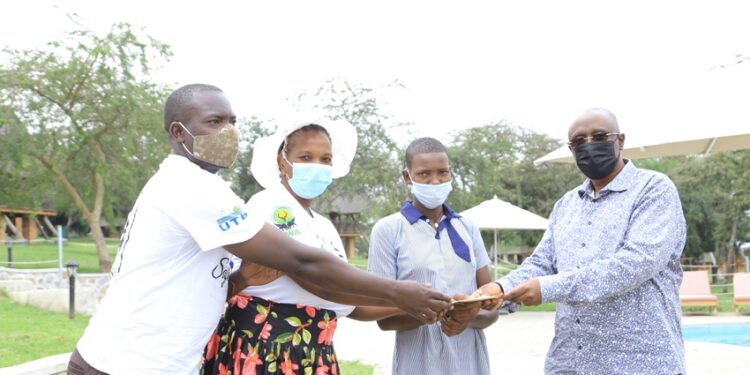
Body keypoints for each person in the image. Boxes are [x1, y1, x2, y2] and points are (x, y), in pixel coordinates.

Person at [67, 84, 451, 375]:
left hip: (155, 363)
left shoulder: (205, 189)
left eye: (232, 122)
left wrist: (239, 280)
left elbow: (204, 279)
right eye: (214, 122)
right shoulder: (191, 186)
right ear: (178, 133)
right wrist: (400, 291)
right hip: (125, 363)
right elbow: (301, 263)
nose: (228, 131)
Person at [476, 108, 687, 374]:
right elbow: (542, 263)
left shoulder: (653, 189)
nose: (589, 145)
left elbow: (635, 263)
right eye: (578, 141)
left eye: (599, 136)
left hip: (639, 360)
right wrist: (500, 287)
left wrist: (548, 287)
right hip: (570, 363)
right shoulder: (566, 205)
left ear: (620, 141)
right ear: (571, 149)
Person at [202, 117, 401, 374]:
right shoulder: (268, 205)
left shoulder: (324, 226)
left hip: (314, 353)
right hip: (264, 350)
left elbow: (348, 304)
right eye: (306, 157)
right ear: (282, 161)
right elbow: (314, 278)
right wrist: (401, 295)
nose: (317, 166)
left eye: (325, 159)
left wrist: (426, 303)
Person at [367, 137, 499, 375]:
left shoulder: (467, 227)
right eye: (424, 174)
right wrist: (432, 313)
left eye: (442, 172)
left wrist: (467, 316)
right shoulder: (388, 230)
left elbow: (490, 307)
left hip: (470, 361)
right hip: (419, 362)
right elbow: (383, 318)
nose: (435, 181)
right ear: (407, 177)